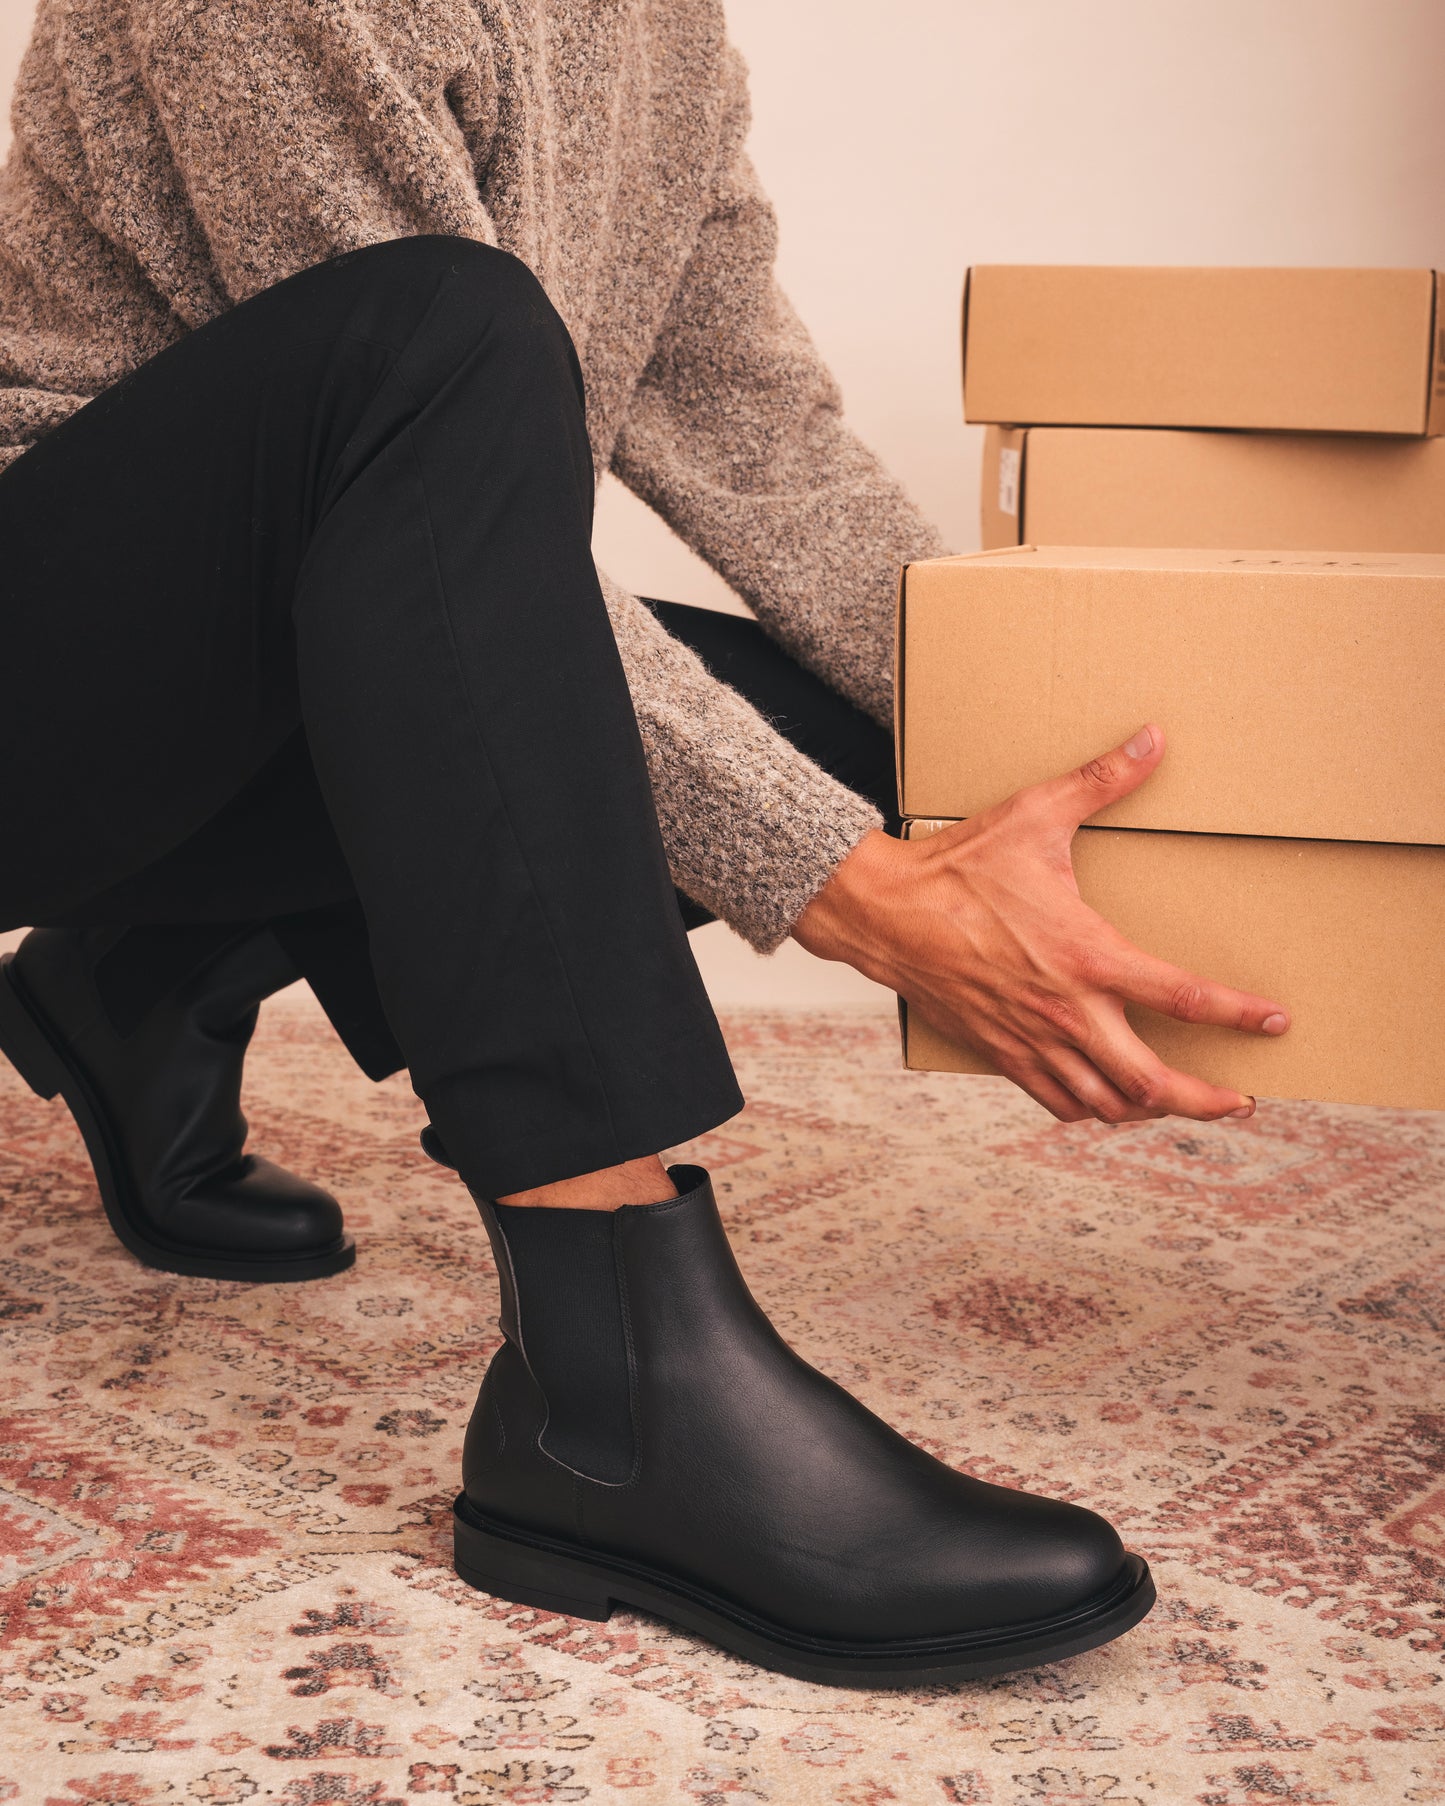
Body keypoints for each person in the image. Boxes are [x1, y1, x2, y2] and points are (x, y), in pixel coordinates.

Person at [0, 0, 1289, 1686]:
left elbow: (753, 427)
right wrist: (857, 892)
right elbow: (409, 458)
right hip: (45, 691)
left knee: (853, 743)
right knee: (439, 337)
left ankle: (143, 975)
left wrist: (994, 762)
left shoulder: (655, 23)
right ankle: (613, 1389)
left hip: (235, 705)